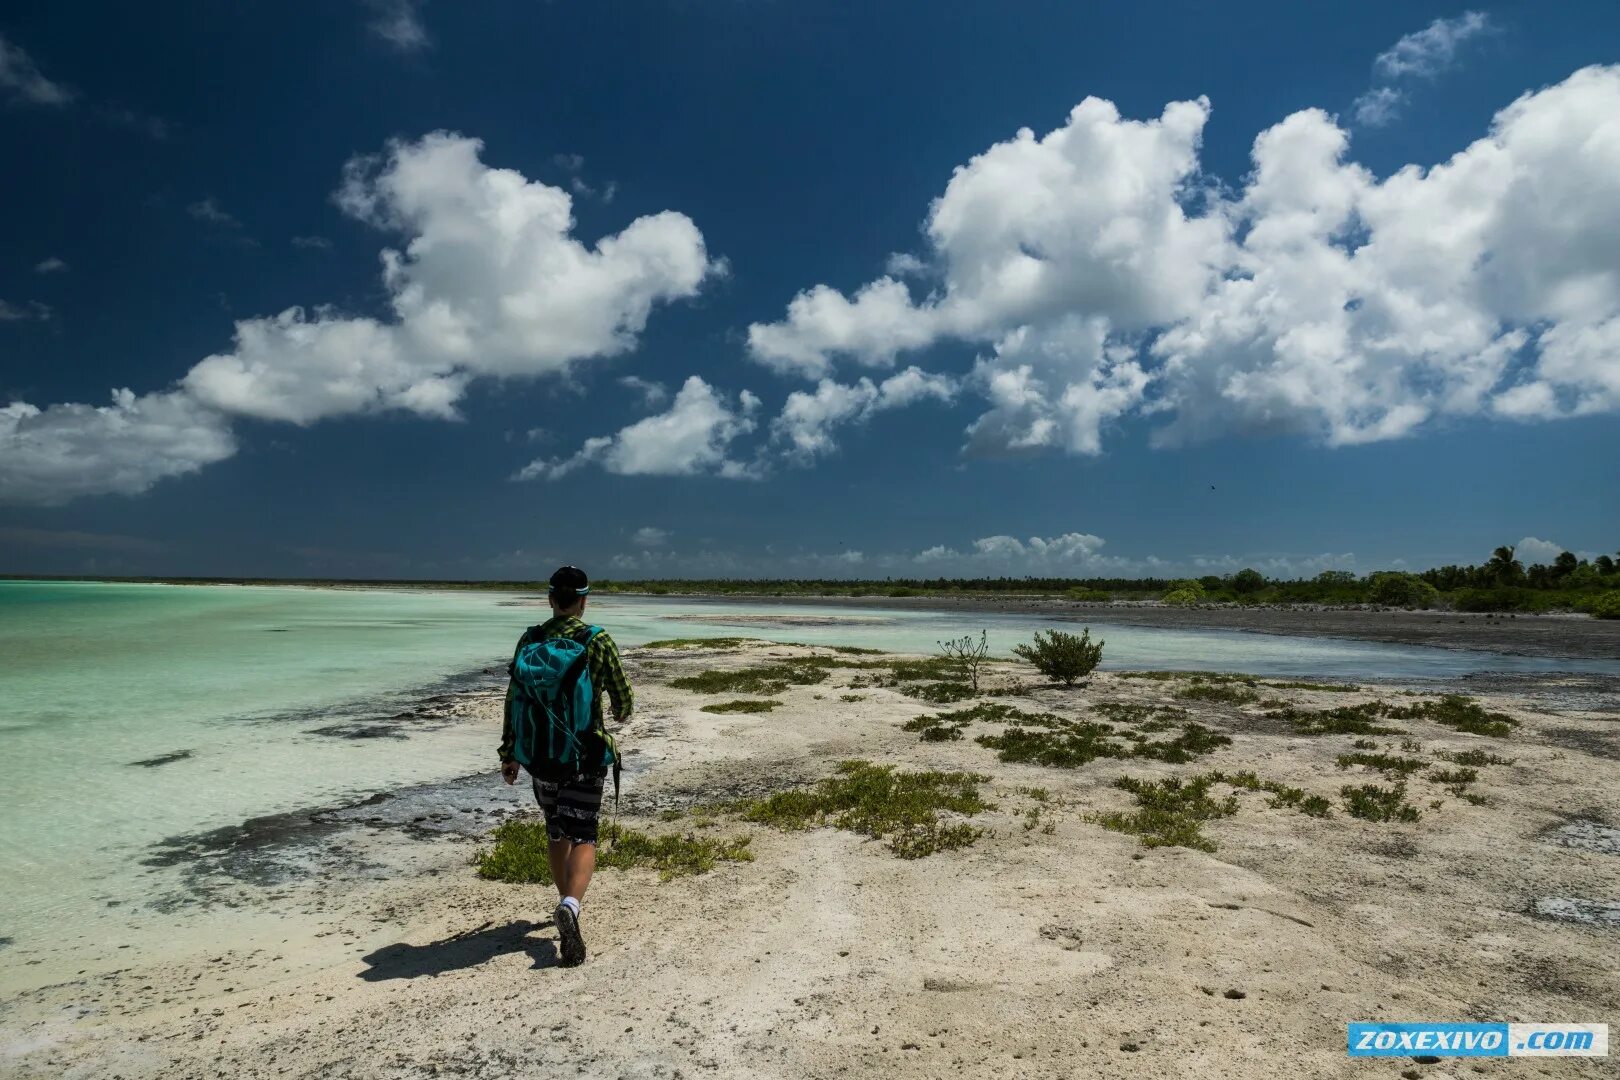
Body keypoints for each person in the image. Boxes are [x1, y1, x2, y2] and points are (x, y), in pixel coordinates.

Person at [499, 565, 633, 967]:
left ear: (551, 600)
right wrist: (617, 711)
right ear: (584, 600)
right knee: (585, 833)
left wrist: (510, 754)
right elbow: (623, 699)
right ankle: (571, 907)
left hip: (541, 757)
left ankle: (563, 901)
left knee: (556, 830)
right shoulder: (597, 640)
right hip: (585, 753)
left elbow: (513, 700)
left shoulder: (531, 639)